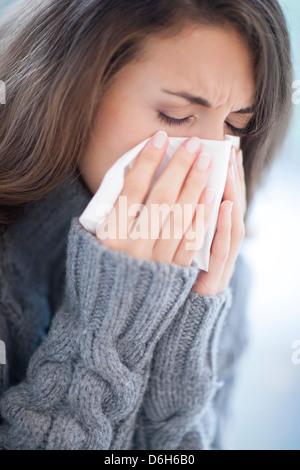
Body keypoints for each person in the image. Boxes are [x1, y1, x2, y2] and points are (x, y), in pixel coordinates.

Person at [0, 0, 292, 450]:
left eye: (235, 126)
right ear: (74, 89)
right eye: (175, 116)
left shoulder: (221, 279)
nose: (207, 159)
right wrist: (109, 320)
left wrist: (186, 327)